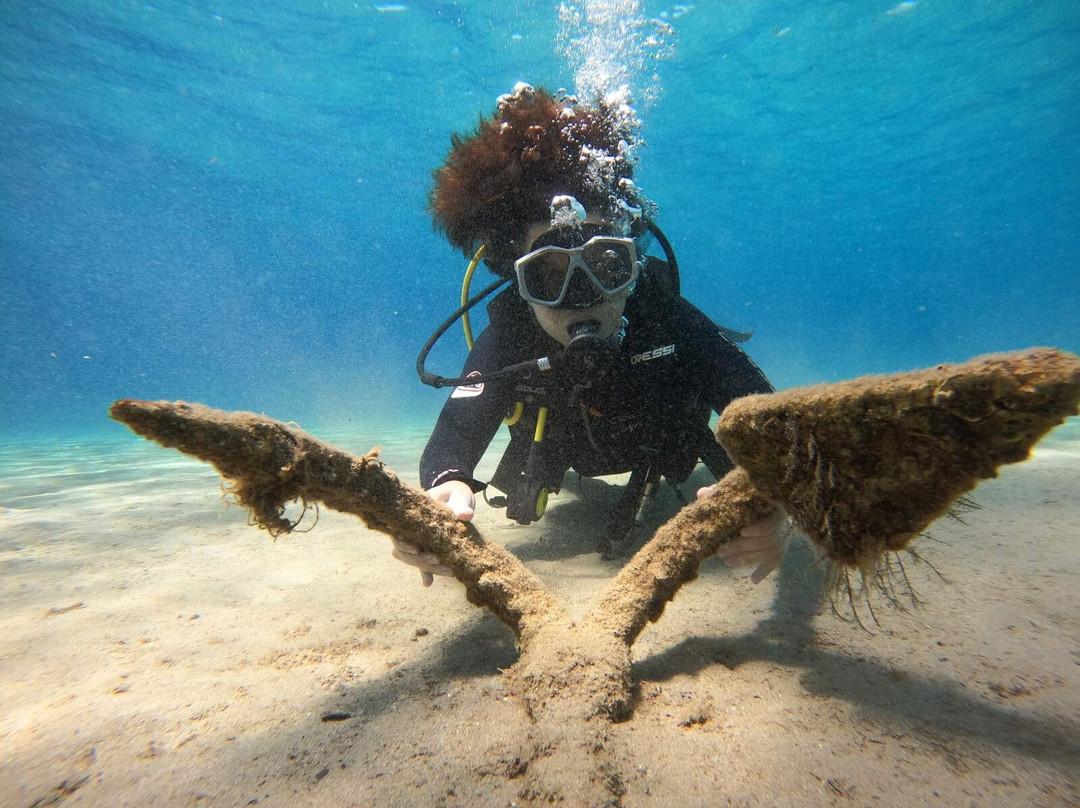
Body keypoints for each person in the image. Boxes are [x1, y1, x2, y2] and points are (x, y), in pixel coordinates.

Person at [396, 84, 789, 586]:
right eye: (548, 275)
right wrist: (443, 490)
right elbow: (456, 432)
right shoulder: (513, 334)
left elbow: (771, 419)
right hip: (565, 460)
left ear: (633, 266)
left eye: (606, 265)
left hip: (664, 454)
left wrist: (775, 499)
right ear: (519, 283)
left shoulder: (663, 314)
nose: (583, 297)